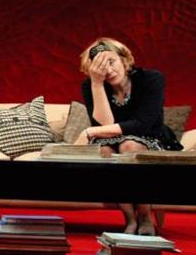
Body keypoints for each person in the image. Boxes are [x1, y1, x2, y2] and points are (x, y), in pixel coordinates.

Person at [76, 37, 182, 235]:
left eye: (111, 62)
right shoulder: (91, 85)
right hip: (110, 141)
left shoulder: (151, 79)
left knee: (129, 146)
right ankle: (130, 219)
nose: (108, 70)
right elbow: (105, 124)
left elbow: (142, 124)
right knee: (104, 150)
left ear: (124, 59)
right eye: (100, 66)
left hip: (150, 138)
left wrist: (89, 132)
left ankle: (145, 216)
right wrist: (97, 84)